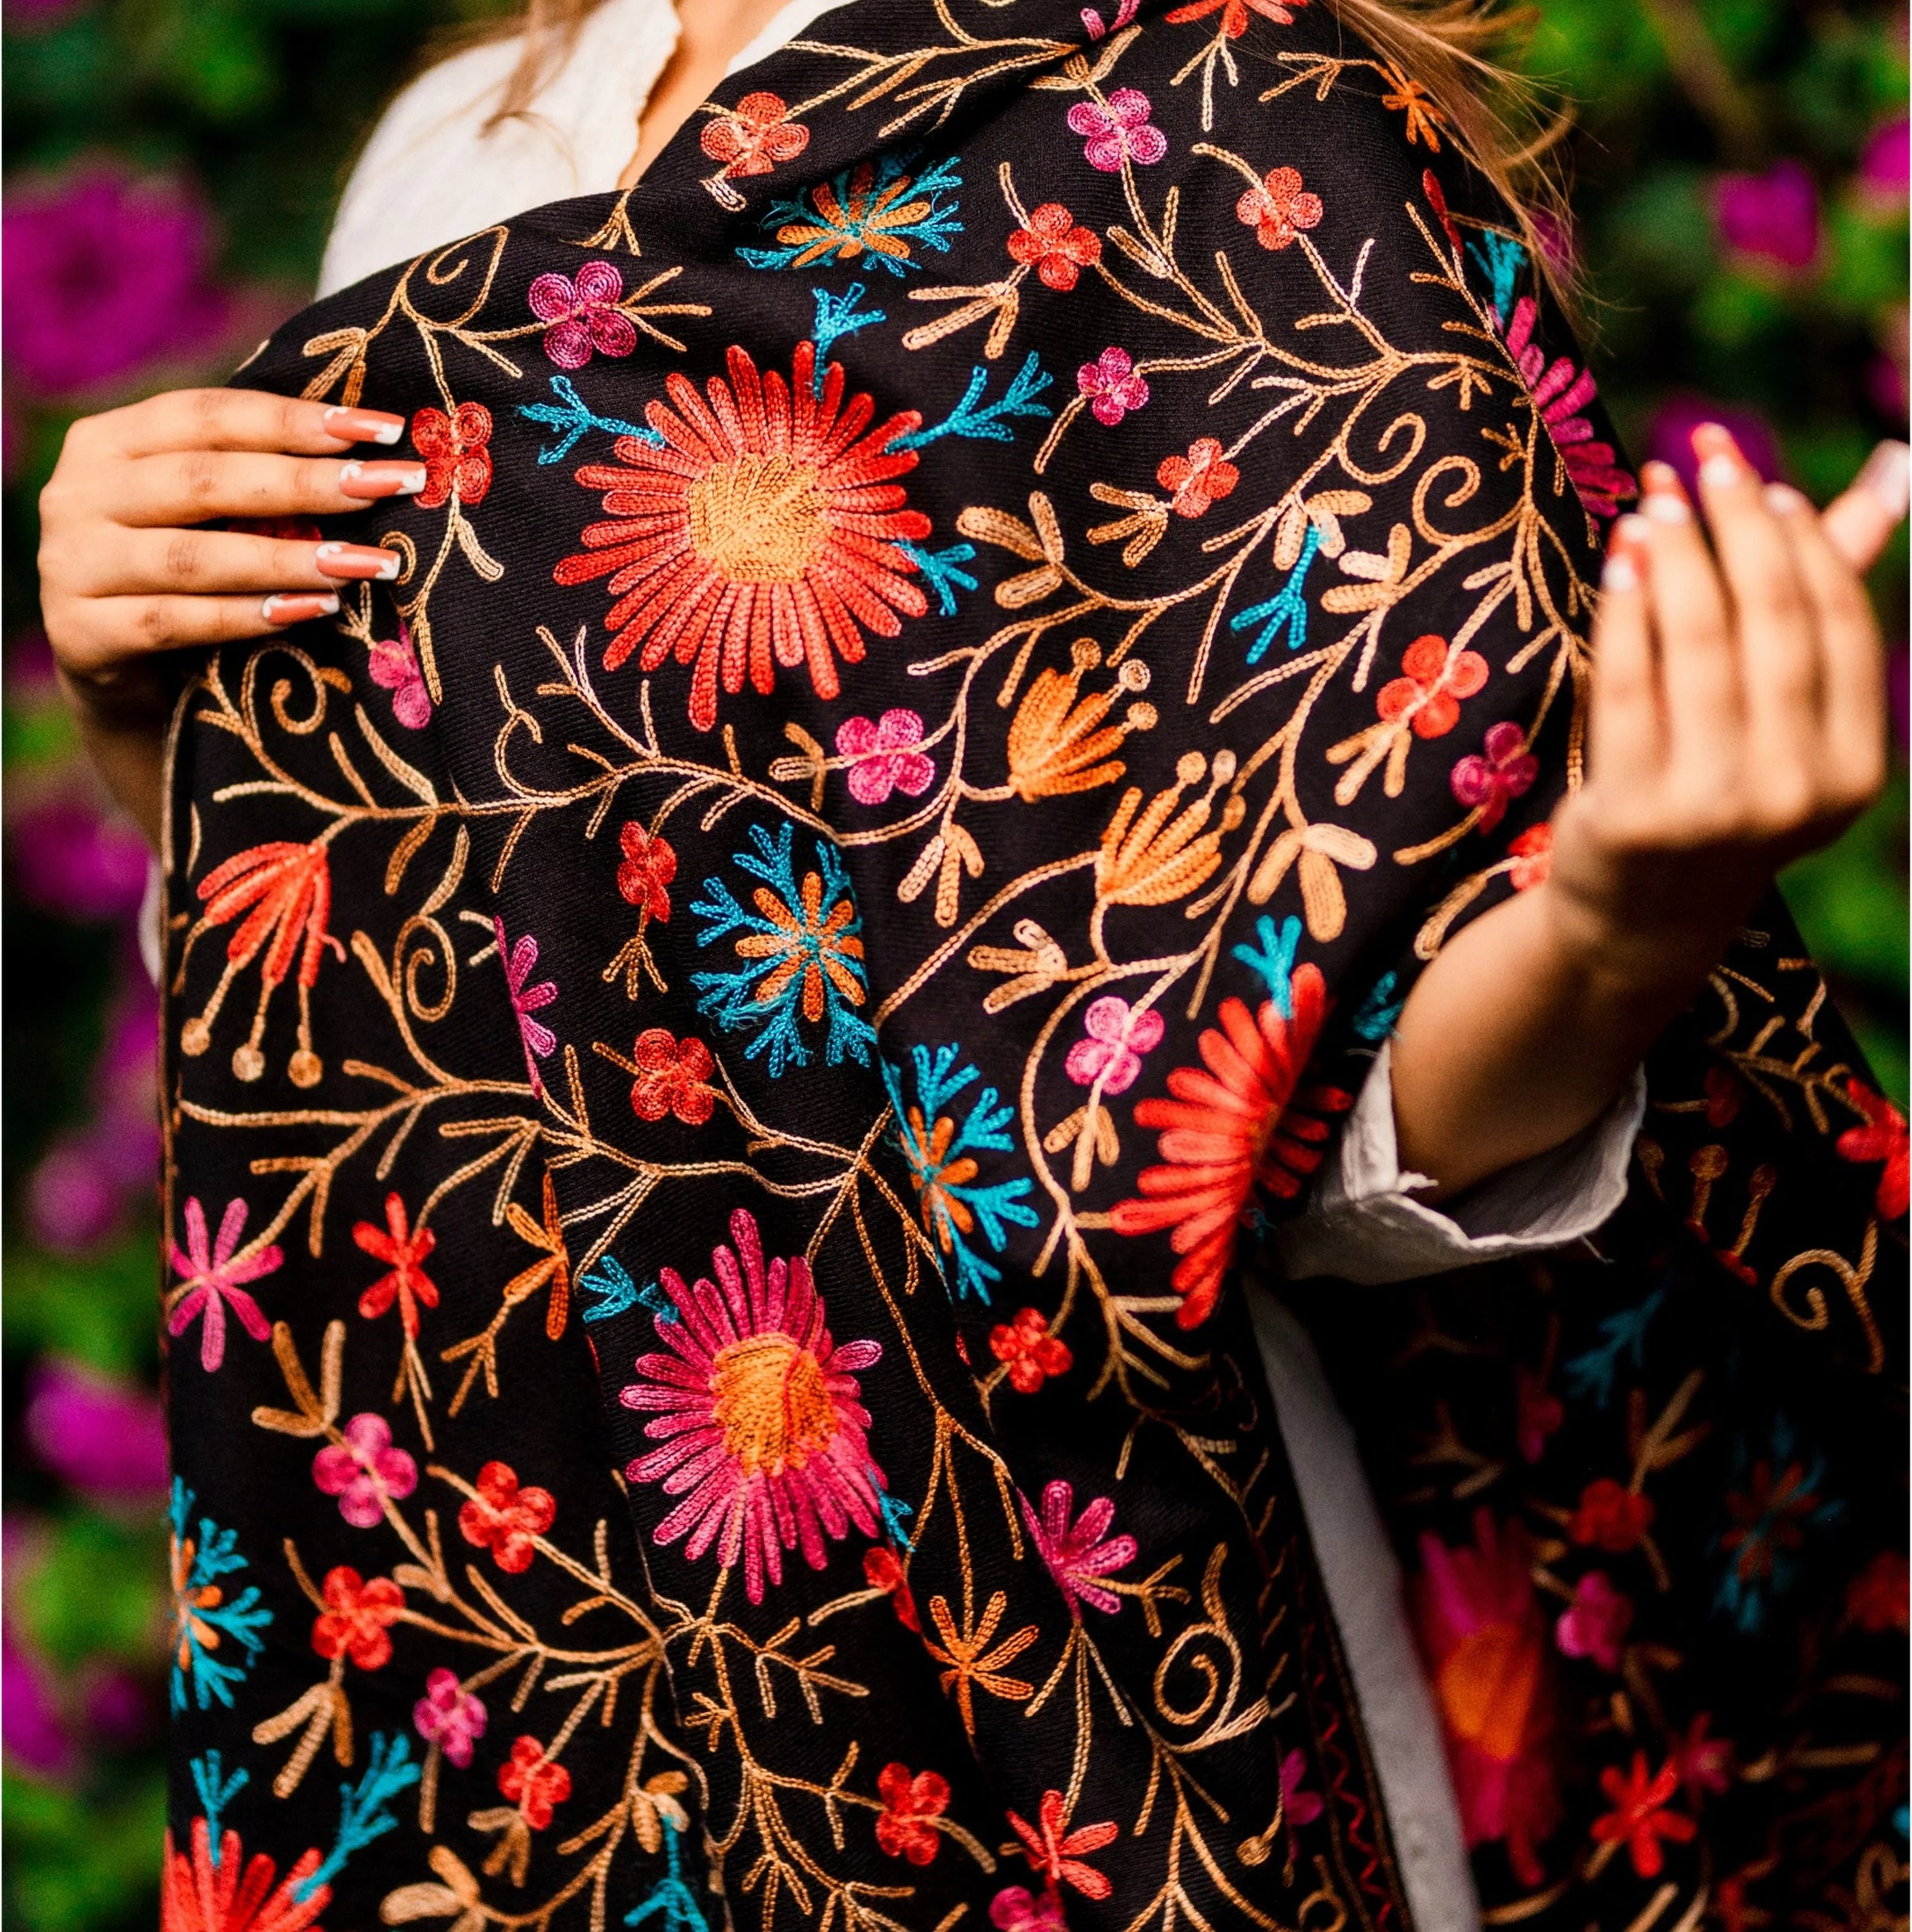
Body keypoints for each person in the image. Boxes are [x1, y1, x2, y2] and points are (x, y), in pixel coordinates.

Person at [36, 1, 1908, 1925]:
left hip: (1088, 1646)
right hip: (567, 1661)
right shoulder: (450, 164)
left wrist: (1613, 930)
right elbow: (386, 1027)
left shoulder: (1211, 127)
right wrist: (144, 710)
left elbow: (1298, 1113)